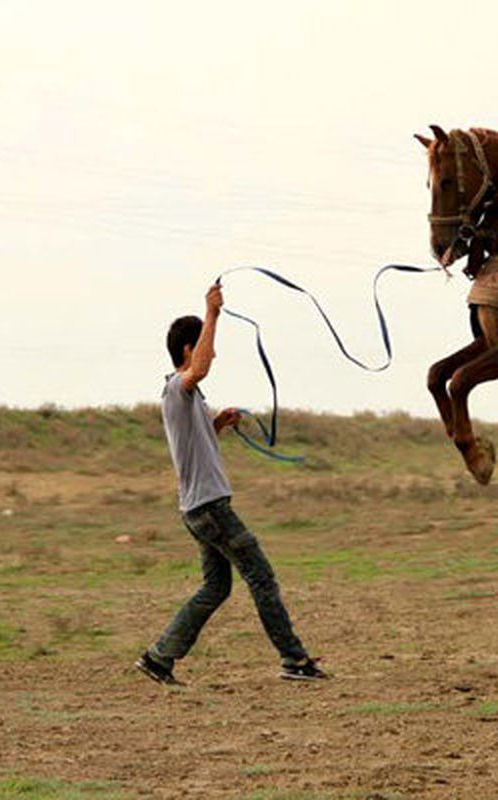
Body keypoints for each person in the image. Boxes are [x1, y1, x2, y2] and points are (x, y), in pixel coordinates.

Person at [135, 282, 327, 684]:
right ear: (188, 349)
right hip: (210, 508)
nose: (213, 352)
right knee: (261, 576)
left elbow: (196, 441)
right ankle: (294, 660)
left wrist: (218, 424)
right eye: (203, 344)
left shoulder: (189, 398)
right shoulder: (177, 387)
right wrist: (213, 314)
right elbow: (200, 367)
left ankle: (159, 657)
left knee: (216, 588)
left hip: (199, 509)